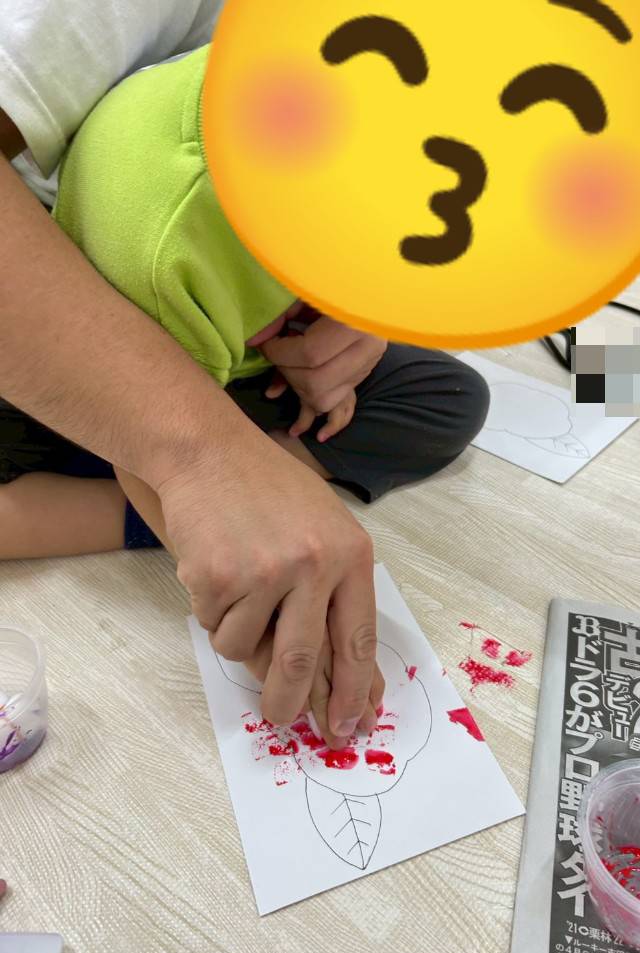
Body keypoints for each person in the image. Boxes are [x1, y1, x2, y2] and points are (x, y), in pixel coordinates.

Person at [0, 3, 488, 745]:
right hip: (68, 332)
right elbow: (157, 389)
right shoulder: (168, 241)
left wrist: (356, 313)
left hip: (219, 330)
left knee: (446, 395)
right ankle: (146, 512)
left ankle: (225, 499)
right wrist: (202, 471)